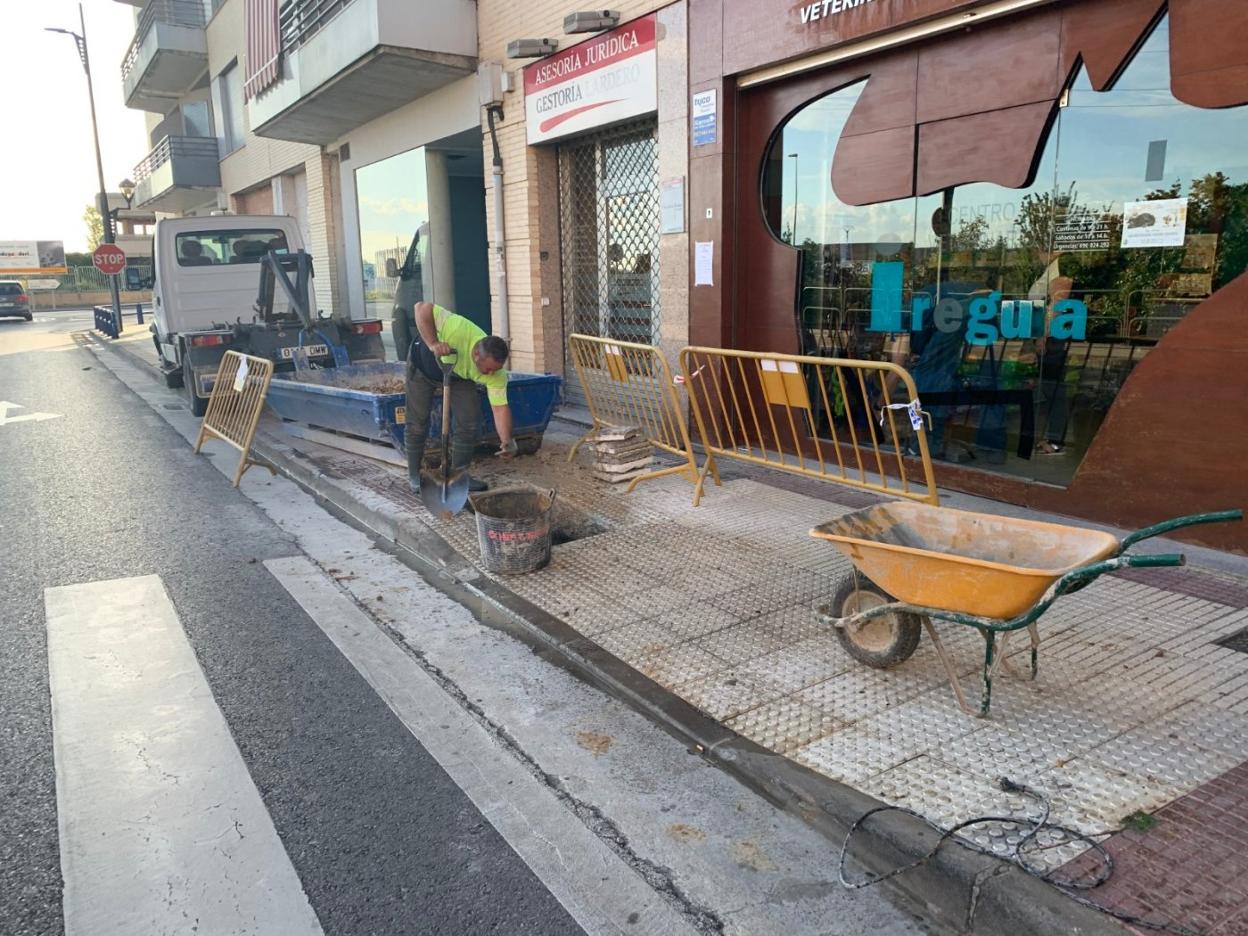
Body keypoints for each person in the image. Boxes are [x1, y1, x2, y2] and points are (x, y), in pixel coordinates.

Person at [405, 301, 515, 495]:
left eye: (495, 370)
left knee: (468, 422)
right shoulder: (456, 328)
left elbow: (500, 408)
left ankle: (458, 475)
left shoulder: (496, 374)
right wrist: (433, 343)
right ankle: (414, 475)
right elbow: (421, 307)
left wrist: (507, 441)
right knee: (418, 423)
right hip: (423, 368)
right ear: (475, 355)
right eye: (487, 369)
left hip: (458, 376)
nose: (490, 374)